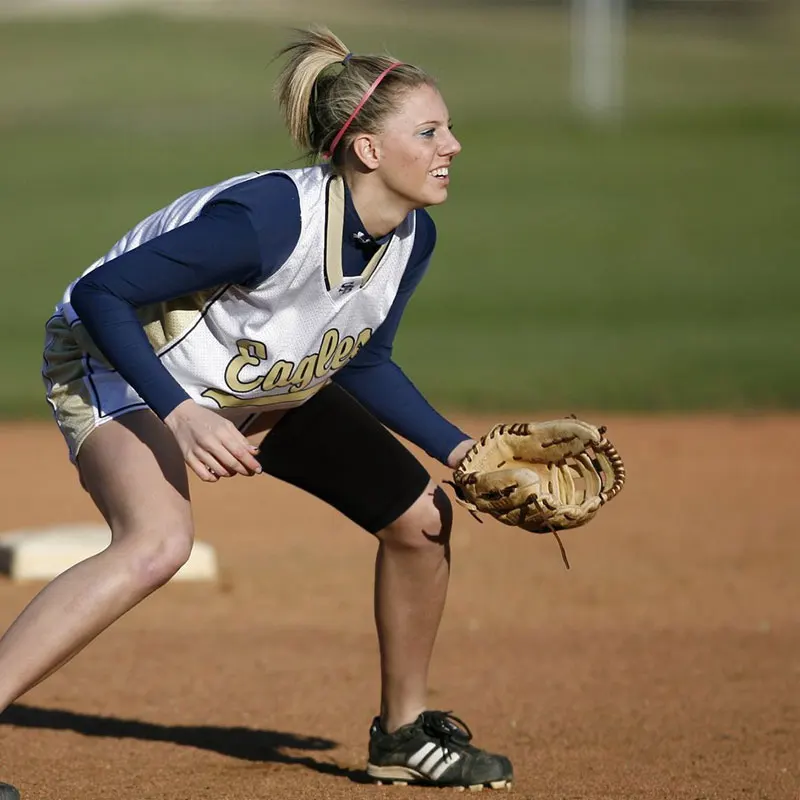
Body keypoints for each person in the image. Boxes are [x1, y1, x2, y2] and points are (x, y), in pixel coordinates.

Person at [0, 27, 513, 791]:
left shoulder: (412, 236)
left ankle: (402, 735)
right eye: (430, 131)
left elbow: (361, 357)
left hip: (254, 380)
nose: (454, 146)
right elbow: (98, 296)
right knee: (156, 542)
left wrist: (460, 448)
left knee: (421, 520)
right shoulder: (268, 220)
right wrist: (177, 411)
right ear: (368, 151)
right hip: (118, 366)